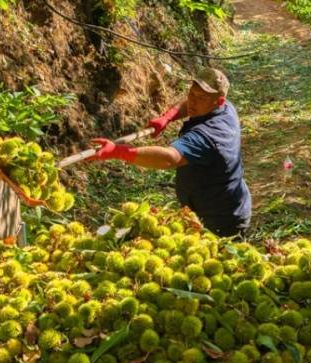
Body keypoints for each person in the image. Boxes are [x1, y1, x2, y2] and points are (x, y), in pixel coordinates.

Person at [90, 67, 252, 237]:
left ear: (219, 101)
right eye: (192, 93)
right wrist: (169, 116)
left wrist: (118, 152)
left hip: (221, 219)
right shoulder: (225, 108)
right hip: (213, 205)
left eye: (201, 98)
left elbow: (169, 158)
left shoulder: (208, 134)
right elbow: (190, 103)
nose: (193, 101)